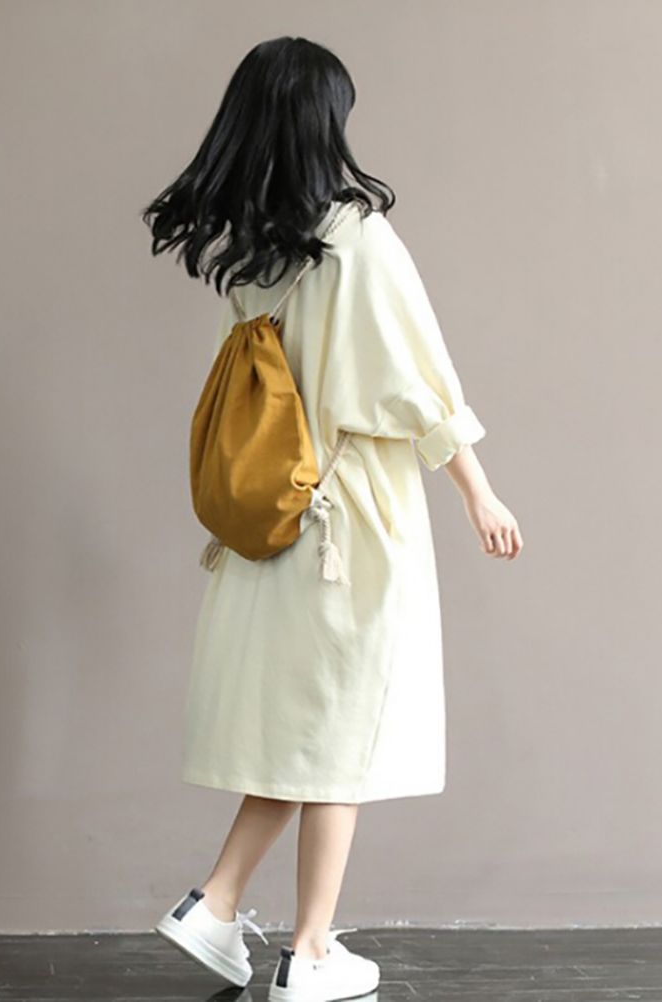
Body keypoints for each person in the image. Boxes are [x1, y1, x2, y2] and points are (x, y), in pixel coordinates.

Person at [142, 35, 523, 1002]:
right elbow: (416, 384)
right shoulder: (357, 239)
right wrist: (478, 490)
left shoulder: (254, 256)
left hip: (271, 525)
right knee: (342, 737)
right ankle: (309, 953)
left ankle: (217, 903)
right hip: (350, 527)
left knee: (305, 731)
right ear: (324, 122)